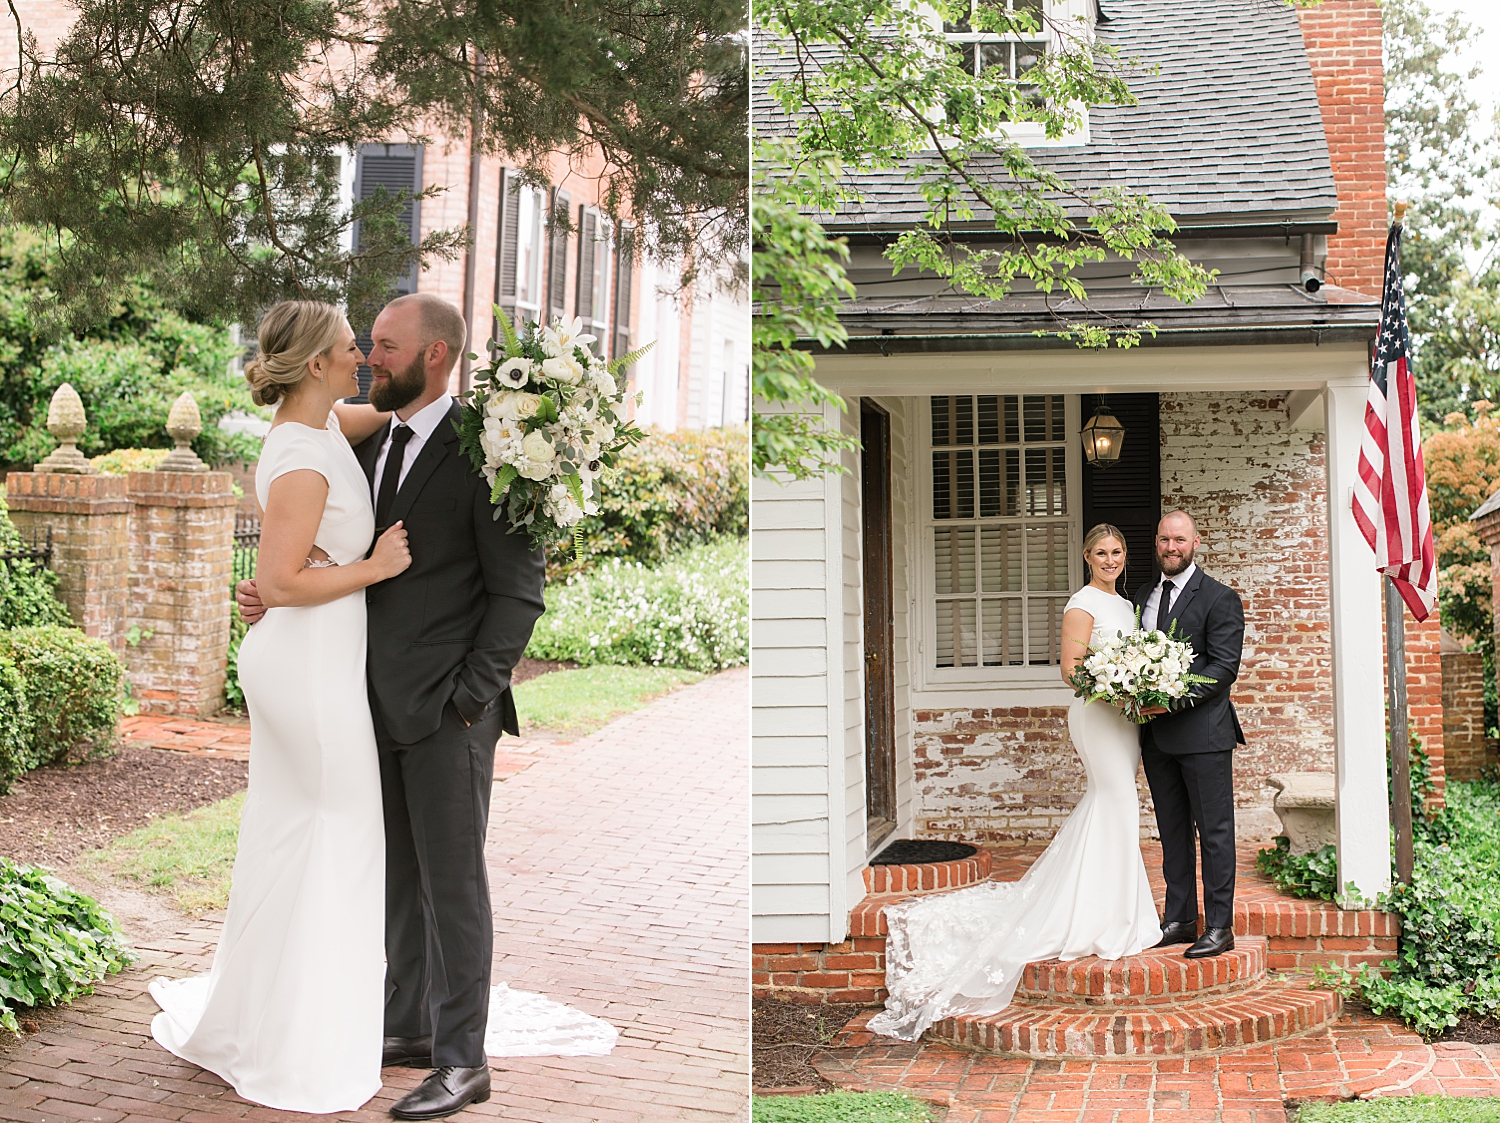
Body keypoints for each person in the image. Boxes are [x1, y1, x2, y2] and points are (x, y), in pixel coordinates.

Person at [236, 292, 547, 1120]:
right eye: (363, 345)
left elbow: (519, 593)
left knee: (453, 888)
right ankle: (405, 1023)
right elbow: (319, 549)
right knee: (398, 880)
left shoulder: (492, 451)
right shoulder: (365, 438)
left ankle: (461, 1059)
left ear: (435, 356)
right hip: (362, 700)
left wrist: (472, 699)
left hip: (448, 713)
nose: (370, 357)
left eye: (384, 345)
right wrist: (277, 595)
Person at [149, 301, 412, 1112]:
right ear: (313, 367)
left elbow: (395, 407)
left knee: (304, 839)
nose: (361, 355)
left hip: (316, 658)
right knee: (342, 837)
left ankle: (275, 1015)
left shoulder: (330, 426)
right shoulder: (301, 457)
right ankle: (302, 1043)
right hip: (305, 669)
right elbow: (282, 583)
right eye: (347, 348)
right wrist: (373, 566)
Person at [866, 524, 1162, 1042]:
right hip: (1098, 713)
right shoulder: (1083, 602)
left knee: (1118, 805)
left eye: (1117, 551)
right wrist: (1114, 691)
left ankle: (1115, 909)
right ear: (1087, 557)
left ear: (1124, 556)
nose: (1110, 559)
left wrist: (1137, 688)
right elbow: (1071, 669)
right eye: (1101, 552)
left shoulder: (1128, 606)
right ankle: (1095, 916)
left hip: (1126, 717)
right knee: (1115, 799)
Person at [1132, 510, 1246, 960]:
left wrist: (1172, 701)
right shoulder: (1144, 594)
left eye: (1179, 540)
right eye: (1164, 540)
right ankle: (1180, 917)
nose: (1171, 547)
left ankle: (1220, 925)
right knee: (1172, 830)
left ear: (1196, 541)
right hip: (1156, 739)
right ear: (1156, 543)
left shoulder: (1220, 598)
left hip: (1204, 736)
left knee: (1215, 833)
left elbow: (1223, 667)